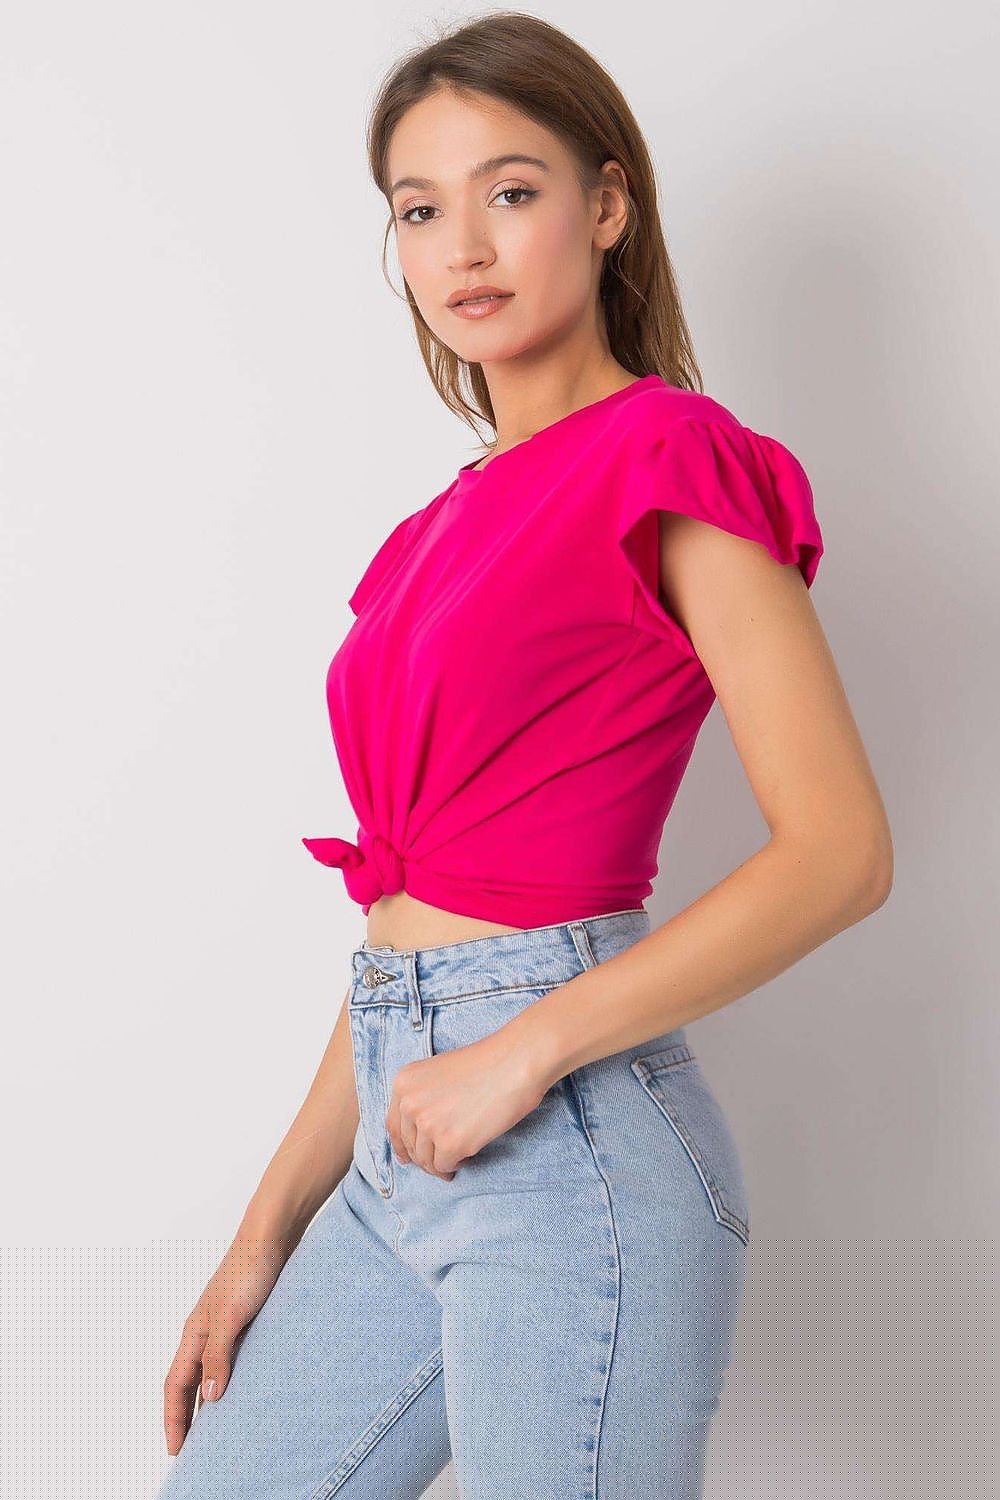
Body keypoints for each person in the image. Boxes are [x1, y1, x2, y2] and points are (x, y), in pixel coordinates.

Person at [157, 14, 893, 1499]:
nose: (465, 248)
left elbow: (840, 853)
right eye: (420, 210)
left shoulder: (669, 457)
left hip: (568, 1155)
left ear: (607, 206)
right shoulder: (431, 535)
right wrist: (261, 1237)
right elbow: (409, 931)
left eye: (510, 191)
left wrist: (524, 1053)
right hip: (400, 1132)